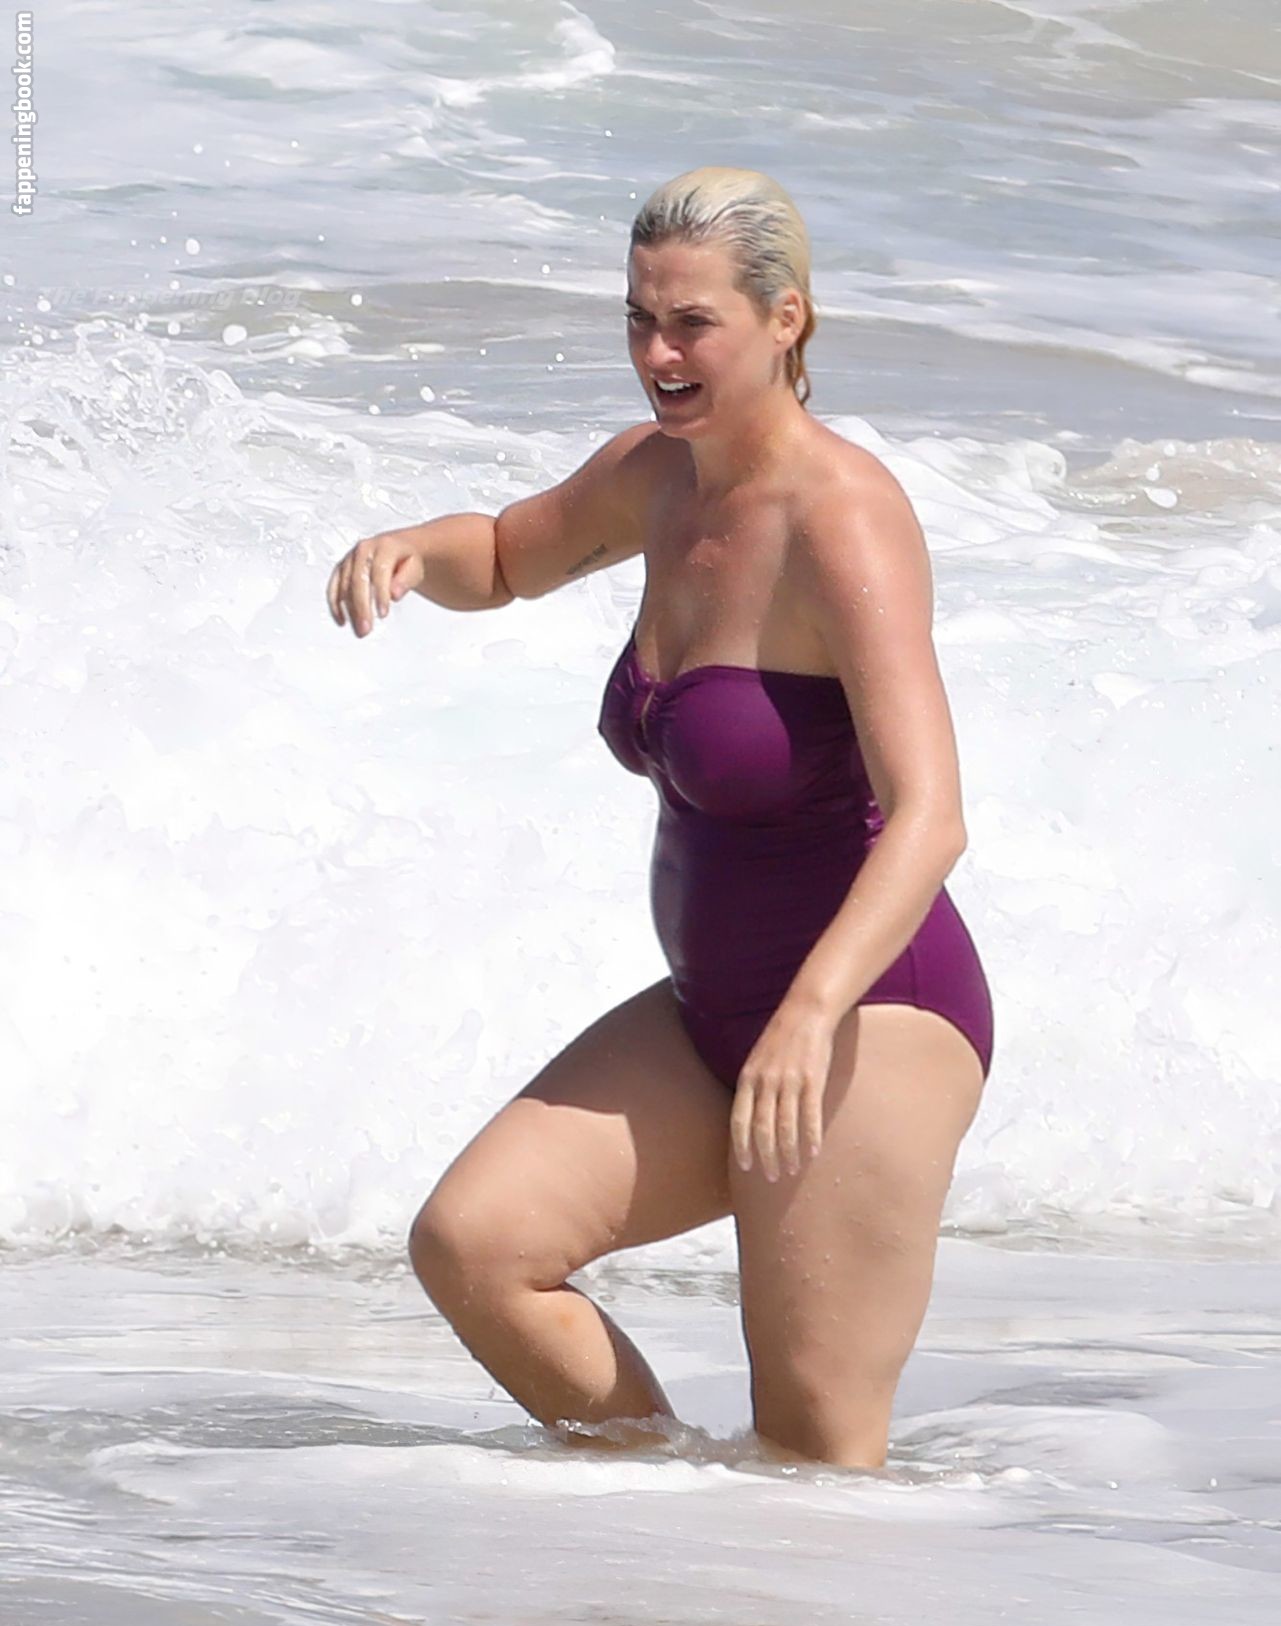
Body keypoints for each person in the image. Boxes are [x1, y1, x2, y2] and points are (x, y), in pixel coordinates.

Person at [326, 166, 994, 1472]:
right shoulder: (659, 476)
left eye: (691, 323)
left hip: (866, 1021)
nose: (656, 354)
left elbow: (931, 817)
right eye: (638, 319)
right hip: (713, 1011)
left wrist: (809, 1015)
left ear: (785, 321)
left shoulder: (842, 519)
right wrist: (410, 547)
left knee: (816, 1458)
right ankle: (660, 1525)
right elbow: (507, 556)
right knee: (477, 1246)